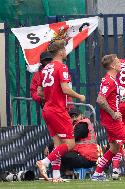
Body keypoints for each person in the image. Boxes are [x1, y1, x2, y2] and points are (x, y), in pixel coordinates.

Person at [36, 40, 86, 182]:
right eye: (64, 49)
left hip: (47, 109)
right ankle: (44, 162)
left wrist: (51, 95)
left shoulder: (45, 69)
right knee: (70, 144)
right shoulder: (61, 67)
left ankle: (56, 176)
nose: (66, 51)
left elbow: (39, 92)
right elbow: (65, 89)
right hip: (58, 110)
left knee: (58, 144)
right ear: (60, 52)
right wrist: (79, 96)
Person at [44, 108, 98, 177]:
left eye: (76, 116)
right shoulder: (75, 126)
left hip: (87, 158)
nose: (74, 119)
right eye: (72, 117)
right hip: (83, 156)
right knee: (57, 151)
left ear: (82, 116)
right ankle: (66, 172)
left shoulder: (83, 125)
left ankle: (65, 172)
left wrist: (49, 147)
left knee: (58, 151)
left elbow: (67, 140)